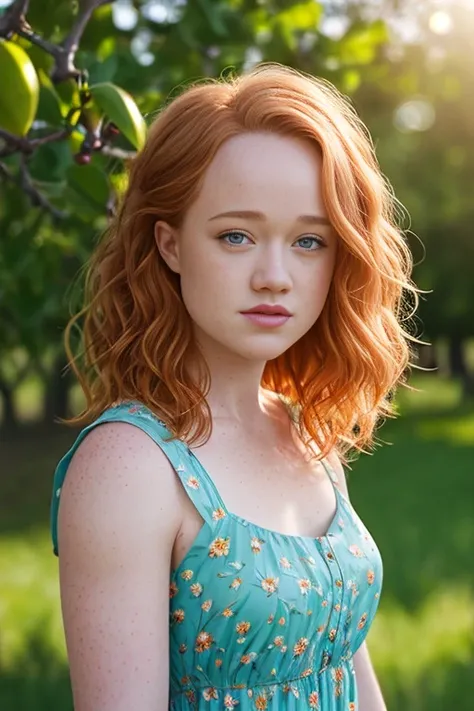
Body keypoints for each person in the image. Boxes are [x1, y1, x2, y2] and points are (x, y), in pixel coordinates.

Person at [50, 63, 419, 711]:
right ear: (169, 244)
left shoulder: (306, 434)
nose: (275, 275)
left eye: (309, 240)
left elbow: (346, 664)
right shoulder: (130, 467)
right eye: (236, 236)